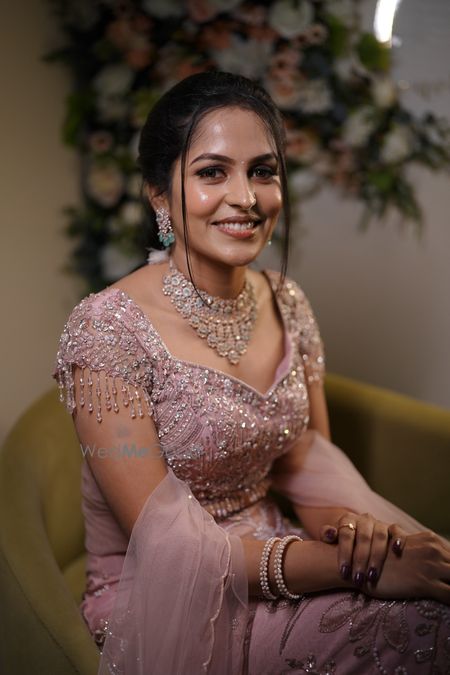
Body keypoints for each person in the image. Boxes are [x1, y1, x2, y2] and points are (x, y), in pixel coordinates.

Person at [52, 71, 450, 675]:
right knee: (423, 626)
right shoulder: (106, 331)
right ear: (160, 196)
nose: (246, 197)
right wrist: (351, 569)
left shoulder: (286, 301)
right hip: (163, 593)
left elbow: (309, 464)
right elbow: (170, 551)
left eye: (262, 171)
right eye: (212, 172)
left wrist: (362, 542)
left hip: (282, 545)